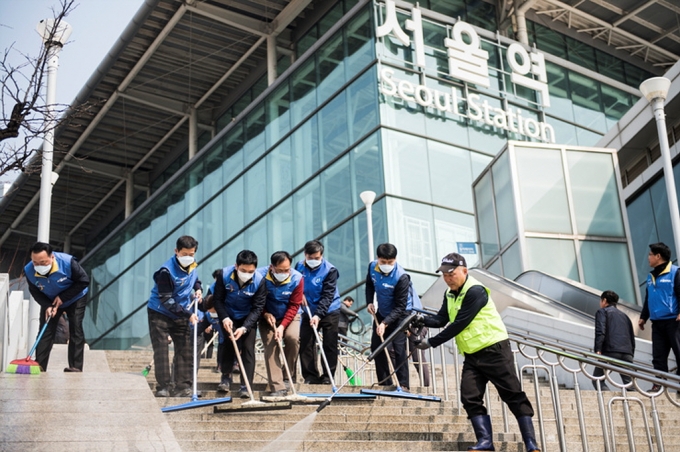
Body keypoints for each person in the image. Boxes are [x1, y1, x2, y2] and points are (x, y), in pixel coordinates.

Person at [415, 253, 539, 452]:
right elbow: (440, 320)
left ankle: (531, 444)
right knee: (469, 397)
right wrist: (421, 320)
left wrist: (430, 342)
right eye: (444, 274)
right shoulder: (449, 294)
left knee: (513, 395)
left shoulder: (476, 291)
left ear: (464, 271)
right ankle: (485, 443)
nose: (447, 278)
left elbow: (459, 324)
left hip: (495, 350)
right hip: (472, 355)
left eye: (451, 273)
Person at [147, 235, 201, 397]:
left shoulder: (192, 265)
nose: (188, 258)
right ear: (176, 251)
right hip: (160, 312)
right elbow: (166, 300)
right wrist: (188, 314)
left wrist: (198, 288)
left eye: (191, 254)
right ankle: (163, 386)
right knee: (162, 349)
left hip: (180, 311)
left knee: (185, 348)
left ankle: (183, 386)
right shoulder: (166, 271)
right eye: (184, 254)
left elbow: (195, 279)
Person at [24, 242, 89, 373]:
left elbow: (83, 281)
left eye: (43, 262)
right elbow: (35, 291)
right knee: (46, 330)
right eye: (35, 262)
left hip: (75, 297)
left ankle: (75, 366)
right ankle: (39, 366)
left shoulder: (67, 263)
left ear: (52, 257)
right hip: (50, 299)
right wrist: (46, 305)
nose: (39, 266)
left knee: (76, 327)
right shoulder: (29, 270)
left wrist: (63, 297)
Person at [213, 250, 266, 398]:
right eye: (243, 270)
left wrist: (245, 327)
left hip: (248, 318)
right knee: (229, 344)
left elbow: (258, 308)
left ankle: (246, 386)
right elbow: (218, 299)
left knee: (248, 349)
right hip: (229, 316)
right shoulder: (224, 275)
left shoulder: (259, 281)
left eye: (250, 271)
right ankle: (226, 377)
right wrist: (224, 318)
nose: (247, 273)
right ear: (236, 266)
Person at [366, 243, 417, 390]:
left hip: (401, 314)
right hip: (382, 311)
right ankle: (385, 382)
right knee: (377, 346)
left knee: (399, 347)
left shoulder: (401, 277)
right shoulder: (372, 267)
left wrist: (385, 323)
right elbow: (369, 284)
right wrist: (369, 301)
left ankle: (403, 384)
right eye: (383, 262)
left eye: (390, 262)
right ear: (378, 259)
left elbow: (400, 306)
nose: (387, 265)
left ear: (395, 259)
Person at [295, 240, 341, 385]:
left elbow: (327, 296)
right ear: (305, 255)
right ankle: (310, 376)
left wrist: (318, 315)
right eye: (310, 258)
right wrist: (299, 294)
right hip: (307, 309)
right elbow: (296, 283)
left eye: (317, 258)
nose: (313, 261)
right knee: (306, 342)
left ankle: (328, 376)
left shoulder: (330, 270)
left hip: (329, 310)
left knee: (329, 344)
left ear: (321, 255)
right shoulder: (299, 266)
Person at [258, 251, 303, 396]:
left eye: (287, 270)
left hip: (290, 315)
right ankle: (277, 387)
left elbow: (294, 305)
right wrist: (265, 313)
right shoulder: (259, 277)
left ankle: (287, 375)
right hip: (267, 316)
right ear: (272, 267)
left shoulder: (297, 278)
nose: (284, 273)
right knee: (271, 345)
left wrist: (283, 326)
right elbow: (256, 300)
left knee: (292, 338)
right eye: (280, 270)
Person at [638, 242, 680, 391]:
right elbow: (648, 299)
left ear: (658, 256)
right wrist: (644, 317)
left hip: (674, 321)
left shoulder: (675, 272)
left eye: (650, 255)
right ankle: (659, 385)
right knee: (658, 357)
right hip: (657, 323)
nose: (648, 258)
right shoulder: (650, 277)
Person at [592, 290, 635, 391]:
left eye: (600, 300)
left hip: (610, 351)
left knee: (597, 379)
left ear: (604, 300)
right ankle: (636, 405)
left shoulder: (602, 312)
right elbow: (631, 337)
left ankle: (610, 403)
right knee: (629, 384)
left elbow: (601, 331)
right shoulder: (625, 316)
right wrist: (630, 353)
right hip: (626, 352)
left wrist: (598, 349)